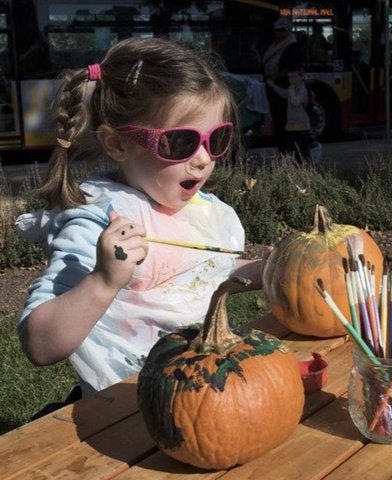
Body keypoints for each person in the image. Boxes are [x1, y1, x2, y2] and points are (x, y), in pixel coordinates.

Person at [15, 37, 267, 399]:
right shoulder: (98, 223)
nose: (202, 159)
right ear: (117, 145)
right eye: (180, 142)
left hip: (197, 392)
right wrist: (103, 281)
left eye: (217, 139)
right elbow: (39, 345)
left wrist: (262, 269)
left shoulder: (198, 208)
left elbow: (200, 271)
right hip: (123, 408)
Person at [262, 17, 303, 150]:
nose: (279, 33)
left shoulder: (292, 46)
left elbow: (292, 68)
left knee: (287, 125)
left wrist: (273, 77)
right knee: (280, 124)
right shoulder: (274, 46)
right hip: (276, 92)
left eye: (282, 30)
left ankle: (292, 155)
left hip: (287, 91)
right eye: (277, 30)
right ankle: (284, 154)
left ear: (289, 31)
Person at [267, 65, 311, 163]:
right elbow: (283, 93)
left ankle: (306, 168)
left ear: (301, 77)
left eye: (295, 77)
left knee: (302, 151)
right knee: (292, 149)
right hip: (292, 125)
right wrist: (273, 86)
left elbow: (296, 102)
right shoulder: (293, 89)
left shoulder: (302, 90)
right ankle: (295, 166)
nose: (292, 80)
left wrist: (290, 90)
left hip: (301, 125)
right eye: (290, 78)